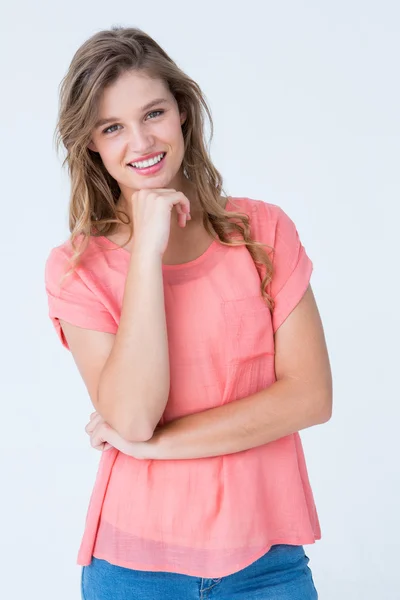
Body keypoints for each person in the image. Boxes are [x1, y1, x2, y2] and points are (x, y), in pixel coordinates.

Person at [44, 26, 332, 600]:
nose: (141, 140)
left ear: (182, 112)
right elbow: (131, 416)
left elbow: (310, 398)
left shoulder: (262, 232)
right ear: (92, 146)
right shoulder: (76, 270)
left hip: (266, 562)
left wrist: (153, 447)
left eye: (153, 113)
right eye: (112, 127)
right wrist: (146, 251)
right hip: (132, 570)